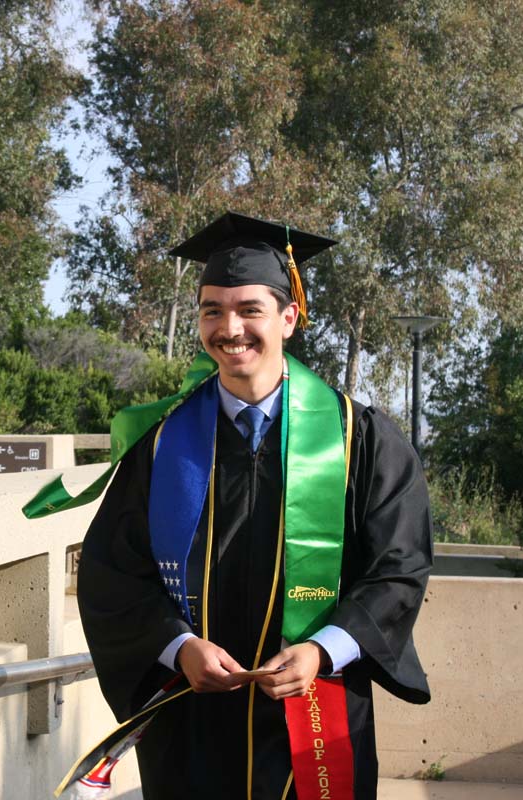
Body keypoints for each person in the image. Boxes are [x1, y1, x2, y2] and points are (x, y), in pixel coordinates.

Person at [74, 212, 432, 799]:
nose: (229, 327)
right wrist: (178, 646)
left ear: (289, 318)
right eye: (212, 310)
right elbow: (113, 571)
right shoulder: (162, 445)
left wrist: (323, 650)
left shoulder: (358, 440)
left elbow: (399, 567)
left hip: (317, 713)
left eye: (249, 310)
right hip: (193, 721)